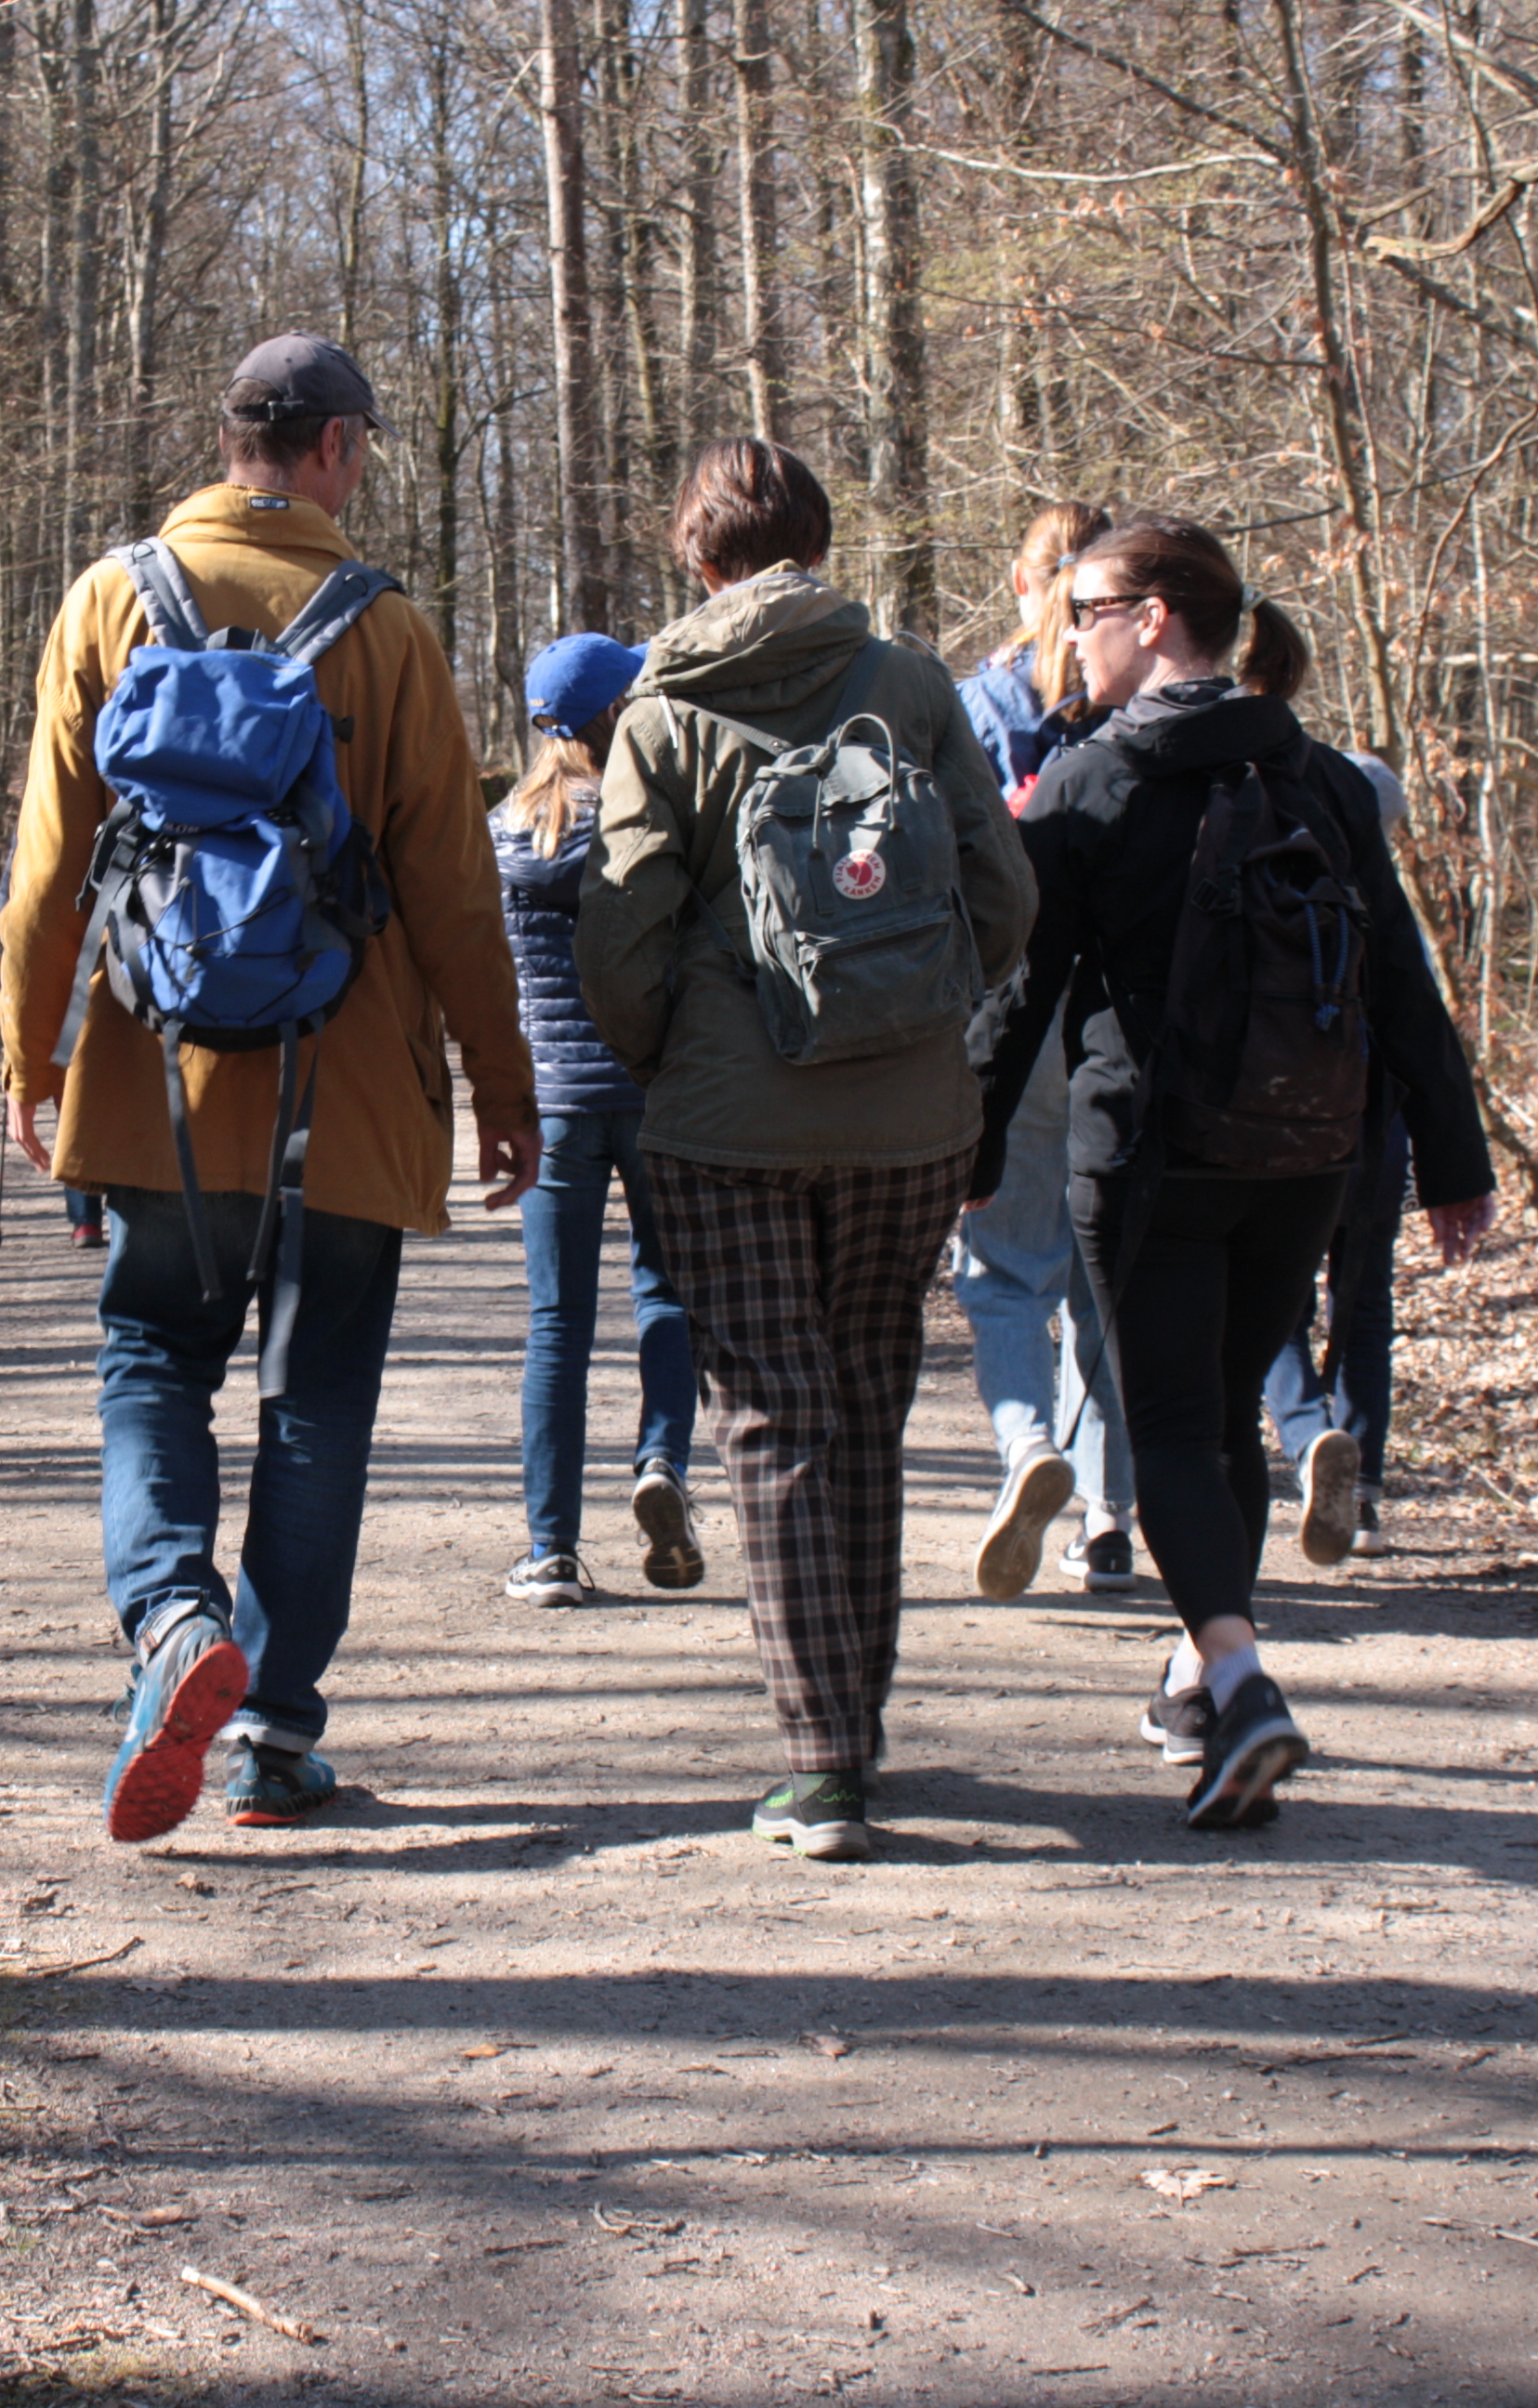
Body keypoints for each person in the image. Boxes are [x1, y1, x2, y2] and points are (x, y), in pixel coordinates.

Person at [0, 332, 541, 1842]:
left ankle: (173, 1618)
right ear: (336, 450)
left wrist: (29, 1059)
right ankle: (273, 1732)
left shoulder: (110, 601)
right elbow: (447, 889)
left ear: (229, 440)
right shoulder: (385, 633)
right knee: (316, 1410)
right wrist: (503, 1083)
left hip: (147, 1088)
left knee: (150, 1364)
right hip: (345, 1103)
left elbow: (47, 874)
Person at [977, 516, 1498, 1830]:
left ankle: (1246, 1679)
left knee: (1165, 1426)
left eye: (1085, 608)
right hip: (1306, 1157)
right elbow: (1397, 975)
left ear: (1153, 618)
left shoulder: (1092, 782)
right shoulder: (1315, 773)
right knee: (1223, 1421)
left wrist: (970, 1151)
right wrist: (1451, 1153)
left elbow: (1023, 992)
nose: (1067, 633)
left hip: (1153, 1155)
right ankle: (1204, 1698)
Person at [575, 438, 1037, 1863]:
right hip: (907, 1115)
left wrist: (668, 1062)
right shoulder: (908, 685)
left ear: (695, 558)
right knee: (869, 1402)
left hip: (729, 1125)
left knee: (771, 1414)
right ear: (819, 543)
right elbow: (1004, 888)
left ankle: (820, 1758)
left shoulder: (662, 708)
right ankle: (858, 1733)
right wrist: (940, 1022)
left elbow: (622, 930)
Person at [951, 504, 1140, 1599]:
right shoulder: (1133, 694)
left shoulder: (979, 705)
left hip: (1009, 1014)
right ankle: (1110, 1516)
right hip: (1118, 1020)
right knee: (1104, 1271)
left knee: (1006, 1271)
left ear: (1024, 584)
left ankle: (1029, 1447)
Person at [493, 631, 703, 1607]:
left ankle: (551, 1550)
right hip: (657, 1092)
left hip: (558, 1103)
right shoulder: (653, 823)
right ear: (619, 714)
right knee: (666, 1295)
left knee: (556, 1323)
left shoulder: (503, 831)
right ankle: (662, 1460)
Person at [1264, 750, 1413, 1561]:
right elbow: (1422, 1040)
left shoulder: (1281, 897)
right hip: (1378, 1133)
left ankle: (1310, 1436)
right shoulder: (1390, 918)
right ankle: (1359, 1495)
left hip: (1290, 1127)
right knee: (1364, 1304)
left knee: (1274, 1304)